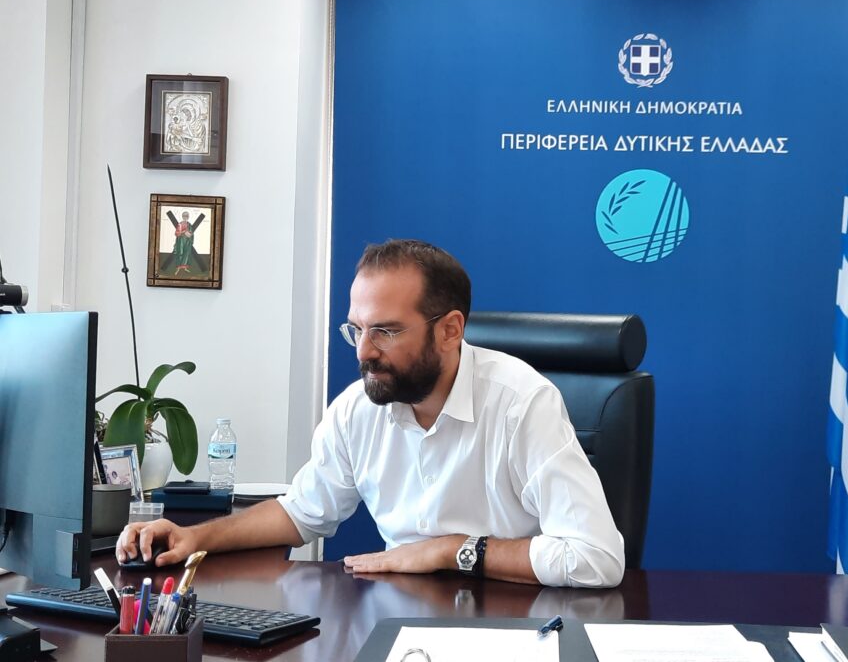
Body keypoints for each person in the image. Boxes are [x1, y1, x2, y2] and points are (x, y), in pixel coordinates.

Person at [117, 240, 625, 587]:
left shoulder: (522, 404)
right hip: (398, 613)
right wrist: (193, 537)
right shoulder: (356, 409)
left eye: (385, 330)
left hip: (513, 621)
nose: (363, 352)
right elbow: (301, 512)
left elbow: (596, 558)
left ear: (449, 330)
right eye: (356, 329)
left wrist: (449, 549)